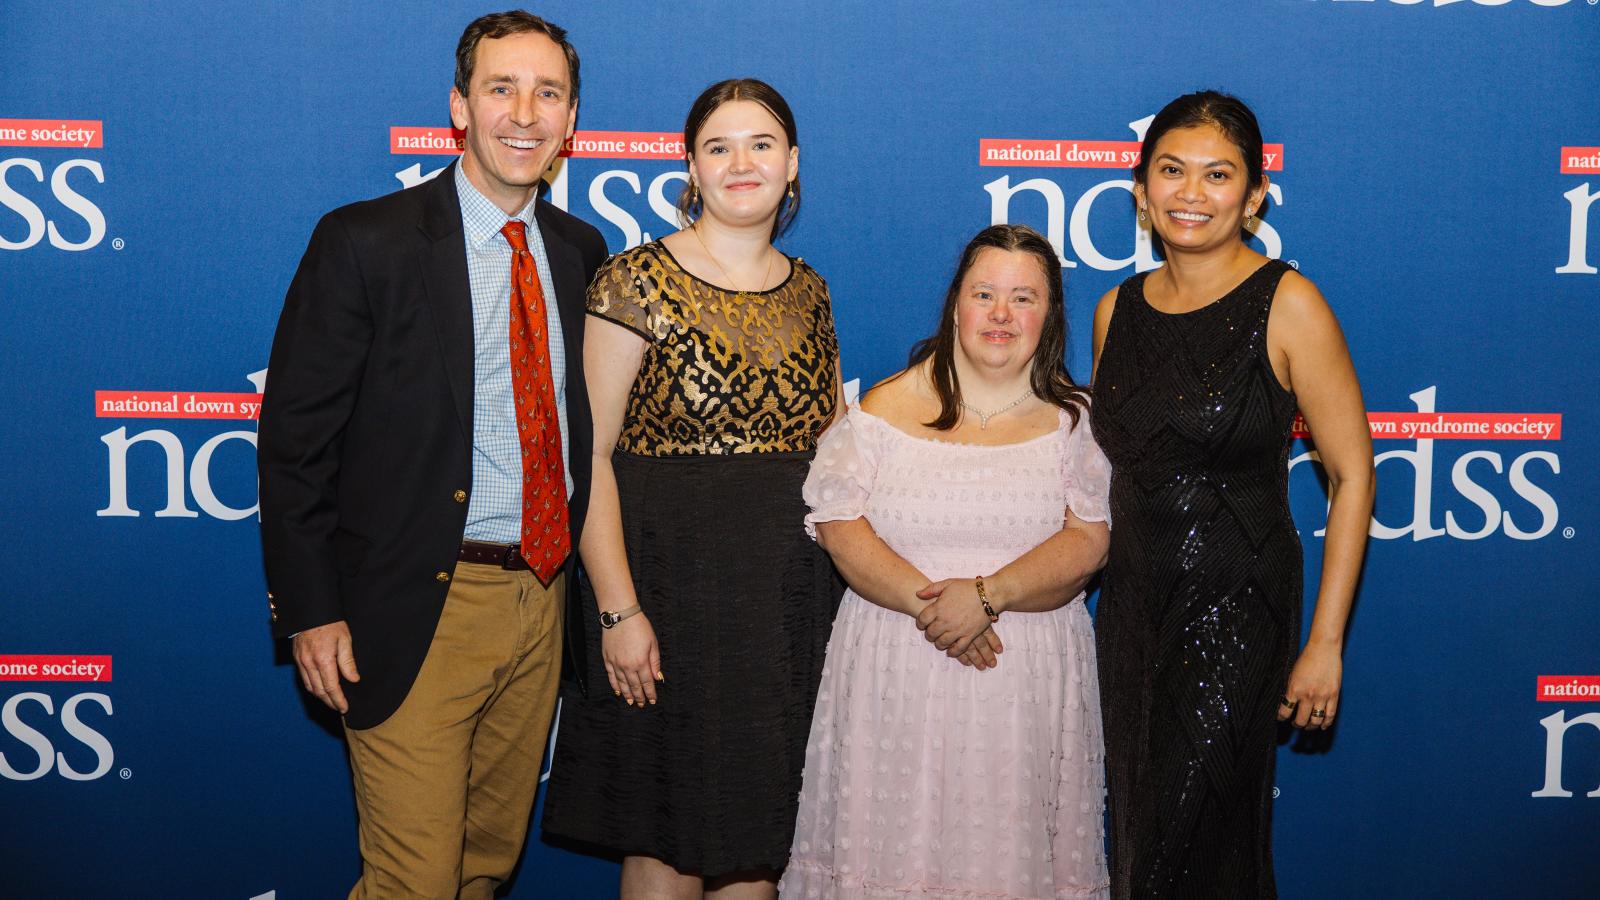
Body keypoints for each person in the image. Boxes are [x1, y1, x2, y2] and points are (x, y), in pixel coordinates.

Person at [257, 11, 607, 898]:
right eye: (501, 88)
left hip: (542, 600)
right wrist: (310, 610)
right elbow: (296, 445)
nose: (525, 112)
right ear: (459, 106)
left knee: (484, 871)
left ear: (572, 121)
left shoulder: (580, 252)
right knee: (413, 884)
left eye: (548, 93)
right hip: (415, 610)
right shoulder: (365, 241)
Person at [540, 78, 841, 899]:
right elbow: (588, 459)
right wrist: (618, 611)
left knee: (759, 848)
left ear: (793, 164)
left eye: (761, 144)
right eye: (719, 146)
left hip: (783, 611)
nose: (742, 163)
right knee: (663, 843)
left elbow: (835, 459)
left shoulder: (812, 292)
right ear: (691, 168)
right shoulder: (633, 280)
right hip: (664, 598)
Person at [1089, 90, 1375, 897]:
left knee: (1198, 834)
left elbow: (1352, 476)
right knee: (1143, 829)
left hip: (1237, 611)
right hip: (1134, 609)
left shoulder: (1289, 302)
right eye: (1171, 171)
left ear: (1254, 196)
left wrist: (1325, 645)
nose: (1191, 193)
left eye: (1218, 175)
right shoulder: (1118, 310)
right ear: (1140, 190)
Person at [780, 224, 1113, 899]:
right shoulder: (882, 407)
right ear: (955, 304)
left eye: (1023, 298)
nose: (1000, 314)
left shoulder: (1077, 421)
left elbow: (1089, 540)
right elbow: (839, 524)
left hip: (1022, 688)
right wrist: (935, 607)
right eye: (983, 293)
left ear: (1049, 318)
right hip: (895, 676)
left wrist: (986, 596)